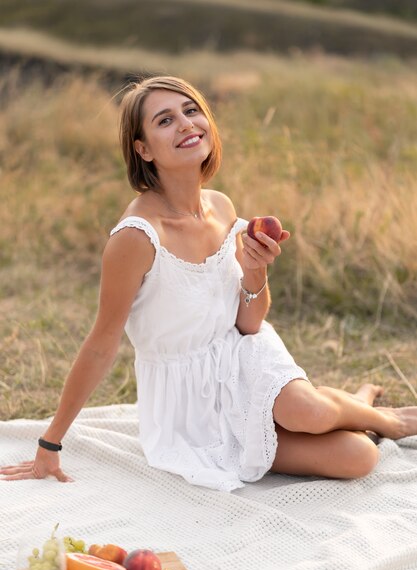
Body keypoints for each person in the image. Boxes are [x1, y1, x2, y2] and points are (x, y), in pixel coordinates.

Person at [2, 75, 417, 491]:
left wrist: (256, 271)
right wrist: (49, 442)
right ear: (142, 149)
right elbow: (100, 343)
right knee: (360, 456)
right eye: (164, 120)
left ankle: (388, 420)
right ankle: (353, 406)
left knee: (304, 411)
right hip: (189, 408)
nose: (185, 124)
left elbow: (249, 324)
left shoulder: (221, 206)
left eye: (191, 110)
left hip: (242, 358)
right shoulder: (136, 236)